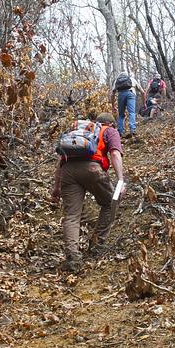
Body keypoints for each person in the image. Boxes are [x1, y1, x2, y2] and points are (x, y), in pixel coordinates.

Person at [51, 112, 125, 273]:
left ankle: (73, 257)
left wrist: (56, 187)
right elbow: (114, 154)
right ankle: (97, 244)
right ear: (111, 124)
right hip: (92, 169)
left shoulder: (78, 132)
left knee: (72, 215)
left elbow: (60, 161)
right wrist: (120, 180)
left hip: (68, 172)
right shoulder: (110, 131)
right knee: (109, 203)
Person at [111, 71, 147, 136]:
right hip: (131, 94)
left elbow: (112, 94)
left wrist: (113, 106)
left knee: (121, 114)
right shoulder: (132, 79)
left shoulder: (117, 81)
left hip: (121, 95)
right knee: (131, 112)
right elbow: (143, 92)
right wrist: (144, 103)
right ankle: (132, 129)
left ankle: (120, 131)